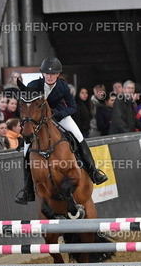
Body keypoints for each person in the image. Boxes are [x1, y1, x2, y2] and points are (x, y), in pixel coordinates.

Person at [15, 57, 107, 205]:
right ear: (43, 73)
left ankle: (93, 171)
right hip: (38, 121)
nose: (49, 76)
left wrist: (59, 113)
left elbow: (73, 107)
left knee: (78, 136)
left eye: (53, 74)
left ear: (58, 74)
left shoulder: (63, 86)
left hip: (59, 117)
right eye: (47, 73)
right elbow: (27, 104)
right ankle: (27, 189)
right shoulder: (34, 85)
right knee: (26, 149)